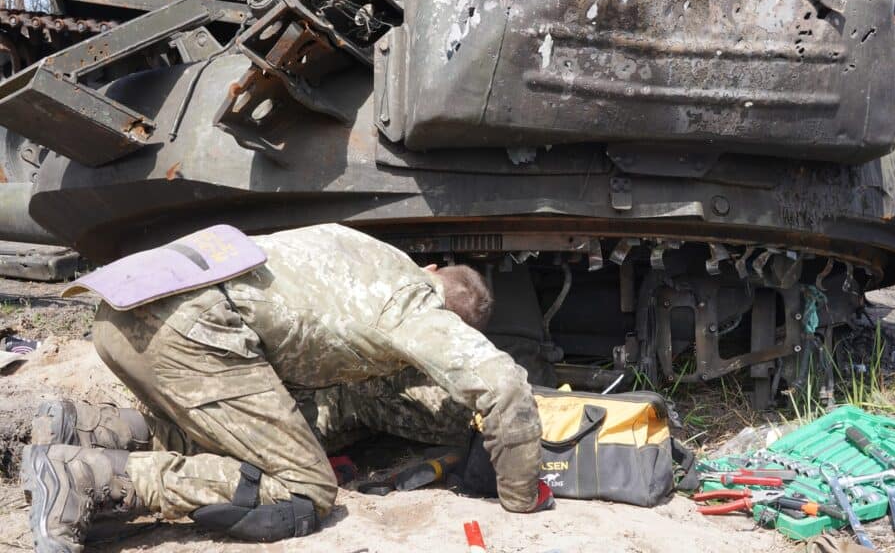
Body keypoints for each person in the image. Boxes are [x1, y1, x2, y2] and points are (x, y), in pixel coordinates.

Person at [22, 223, 550, 553]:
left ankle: (87, 428)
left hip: (123, 308)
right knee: (305, 490)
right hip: (192, 329)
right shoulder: (416, 308)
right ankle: (91, 478)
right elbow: (505, 388)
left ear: (431, 267)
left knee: (243, 440)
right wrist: (520, 495)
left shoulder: (366, 248)